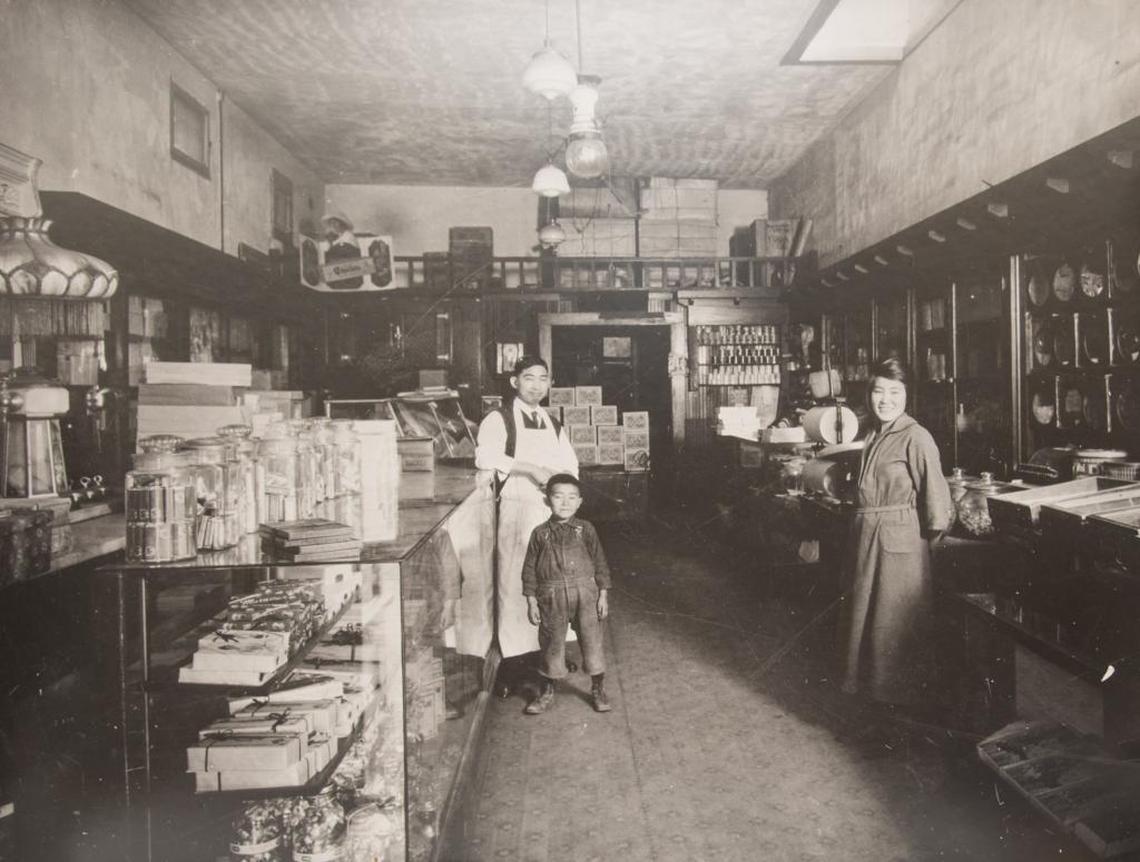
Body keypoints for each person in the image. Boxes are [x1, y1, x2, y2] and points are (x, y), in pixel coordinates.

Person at [838, 357, 952, 710]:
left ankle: (899, 718)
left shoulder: (916, 436)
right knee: (868, 623)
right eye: (878, 391)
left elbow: (937, 504)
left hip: (899, 547)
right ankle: (877, 711)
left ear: (907, 395)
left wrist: (926, 554)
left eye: (894, 392)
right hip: (869, 538)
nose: (885, 399)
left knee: (894, 627)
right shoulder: (874, 432)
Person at [475, 355, 578, 695]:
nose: (536, 384)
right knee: (516, 586)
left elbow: (570, 468)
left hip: (551, 518)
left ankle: (547, 660)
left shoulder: (553, 424)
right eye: (529, 377)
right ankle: (513, 667)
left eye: (543, 378)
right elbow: (485, 457)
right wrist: (528, 468)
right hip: (518, 514)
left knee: (551, 586)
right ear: (514, 382)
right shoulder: (499, 418)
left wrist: (562, 495)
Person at [521, 473, 612, 714]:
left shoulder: (586, 529)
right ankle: (547, 692)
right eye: (558, 496)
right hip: (551, 597)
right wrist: (531, 601)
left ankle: (598, 689)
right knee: (551, 645)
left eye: (572, 497)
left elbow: (601, 563)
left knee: (592, 642)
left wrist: (603, 594)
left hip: (585, 595)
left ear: (580, 502)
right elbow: (529, 569)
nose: (565, 502)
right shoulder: (540, 534)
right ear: (547, 501)